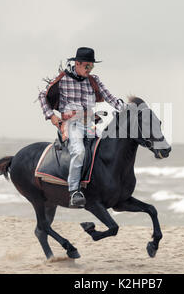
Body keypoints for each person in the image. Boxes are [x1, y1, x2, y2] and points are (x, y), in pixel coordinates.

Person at [38, 47, 127, 207]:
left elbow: (110, 97)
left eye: (92, 66)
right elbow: (42, 96)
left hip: (90, 124)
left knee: (107, 148)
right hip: (71, 125)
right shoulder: (63, 79)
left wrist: (127, 109)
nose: (90, 69)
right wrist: (51, 116)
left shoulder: (94, 80)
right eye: (87, 66)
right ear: (77, 63)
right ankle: (74, 191)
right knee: (79, 151)